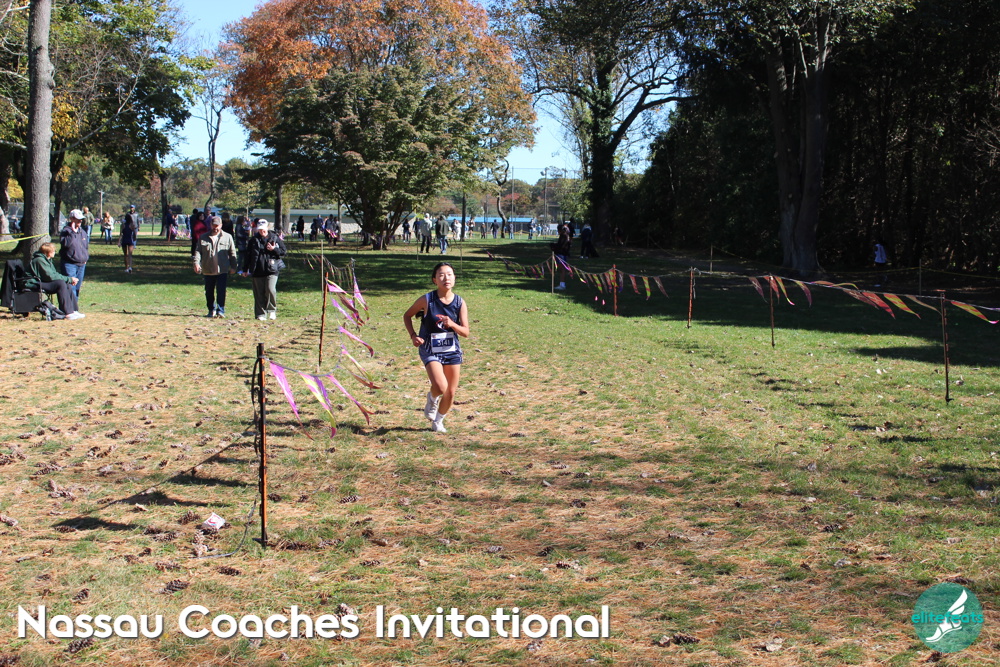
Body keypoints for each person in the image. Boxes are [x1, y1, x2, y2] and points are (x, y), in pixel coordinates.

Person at [403, 262, 470, 433]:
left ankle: (438, 421)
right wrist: (413, 336)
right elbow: (407, 315)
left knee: (451, 392)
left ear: (454, 278)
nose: (446, 278)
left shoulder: (460, 302)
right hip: (430, 349)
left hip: (451, 350)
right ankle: (432, 398)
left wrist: (452, 324)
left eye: (449, 274)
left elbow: (465, 332)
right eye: (441, 275)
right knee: (440, 387)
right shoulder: (427, 299)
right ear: (434, 280)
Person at [25, 242, 85, 320]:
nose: (54, 252)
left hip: (41, 281)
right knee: (60, 284)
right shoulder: (39, 260)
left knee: (65, 283)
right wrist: (69, 279)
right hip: (33, 283)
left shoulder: (47, 260)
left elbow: (54, 274)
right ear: (48, 252)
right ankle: (67, 313)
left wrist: (68, 280)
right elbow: (50, 276)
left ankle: (73, 310)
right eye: (53, 251)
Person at [242, 219, 287, 321]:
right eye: (259, 229)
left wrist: (274, 249)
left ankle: (271, 310)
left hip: (272, 269)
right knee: (259, 293)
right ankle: (260, 314)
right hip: (257, 269)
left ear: (267, 228)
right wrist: (245, 269)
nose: (261, 231)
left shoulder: (274, 238)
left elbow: (283, 251)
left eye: (263, 229)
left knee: (270, 289)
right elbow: (248, 255)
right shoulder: (253, 240)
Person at [194, 215, 237, 318]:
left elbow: (232, 253)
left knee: (221, 290)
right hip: (208, 269)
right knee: (209, 291)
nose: (215, 227)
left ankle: (220, 310)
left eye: (217, 225)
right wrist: (196, 263)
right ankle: (211, 310)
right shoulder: (203, 237)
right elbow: (198, 251)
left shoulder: (228, 237)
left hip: (222, 269)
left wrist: (234, 266)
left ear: (221, 225)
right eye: (213, 225)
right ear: (210, 225)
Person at [59, 209, 89, 299]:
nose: (80, 221)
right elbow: (66, 244)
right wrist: (73, 233)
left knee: (77, 288)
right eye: (77, 219)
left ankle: (74, 306)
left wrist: (85, 258)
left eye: (81, 219)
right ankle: (71, 307)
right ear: (72, 219)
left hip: (81, 264)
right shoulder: (66, 231)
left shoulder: (82, 232)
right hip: (69, 264)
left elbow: (85, 246)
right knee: (71, 288)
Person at [551, 224, 572, 290]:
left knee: (562, 269)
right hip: (563, 254)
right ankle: (562, 284)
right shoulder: (565, 236)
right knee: (562, 269)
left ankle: (562, 285)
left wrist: (554, 247)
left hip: (561, 254)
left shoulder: (564, 236)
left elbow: (561, 246)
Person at [118, 207, 138, 273]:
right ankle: (130, 267)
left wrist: (119, 242)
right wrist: (134, 239)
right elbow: (134, 233)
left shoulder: (122, 225)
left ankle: (126, 267)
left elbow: (120, 234)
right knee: (130, 255)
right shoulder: (132, 225)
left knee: (125, 255)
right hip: (130, 240)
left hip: (124, 240)